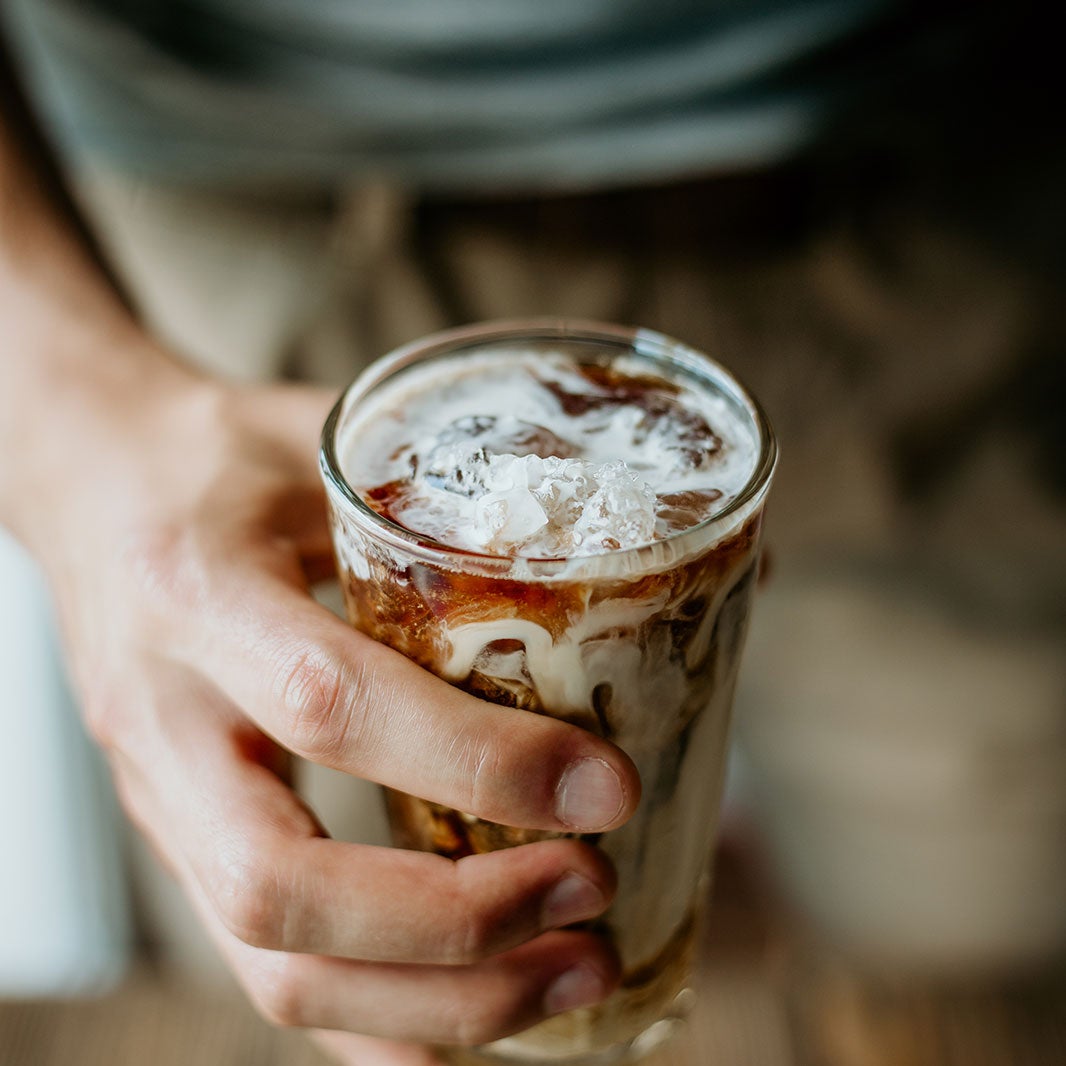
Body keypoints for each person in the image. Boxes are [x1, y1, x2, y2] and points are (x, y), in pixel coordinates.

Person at [4, 3, 1058, 1065]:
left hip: (941, 213)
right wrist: (71, 416)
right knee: (339, 960)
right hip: (250, 222)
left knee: (989, 983)